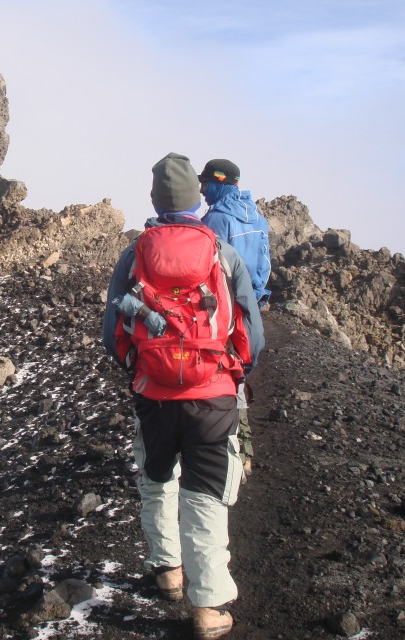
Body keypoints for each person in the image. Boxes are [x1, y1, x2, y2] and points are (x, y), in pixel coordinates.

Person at [103, 152, 264, 639]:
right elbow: (252, 337)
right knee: (206, 494)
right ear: (197, 198)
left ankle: (168, 572)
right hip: (212, 394)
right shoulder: (220, 250)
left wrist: (139, 367)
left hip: (153, 391)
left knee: (157, 479)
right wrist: (231, 374)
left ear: (155, 200)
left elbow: (114, 331)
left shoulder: (135, 254)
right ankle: (209, 605)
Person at [198, 159, 271, 478]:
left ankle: (226, 452)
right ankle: (245, 453)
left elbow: (207, 269)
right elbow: (265, 265)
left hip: (222, 313)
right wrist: (253, 298)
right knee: (239, 371)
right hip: (248, 307)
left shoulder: (216, 219)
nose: (201, 189)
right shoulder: (257, 216)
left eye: (206, 183)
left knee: (219, 374)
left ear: (219, 182)